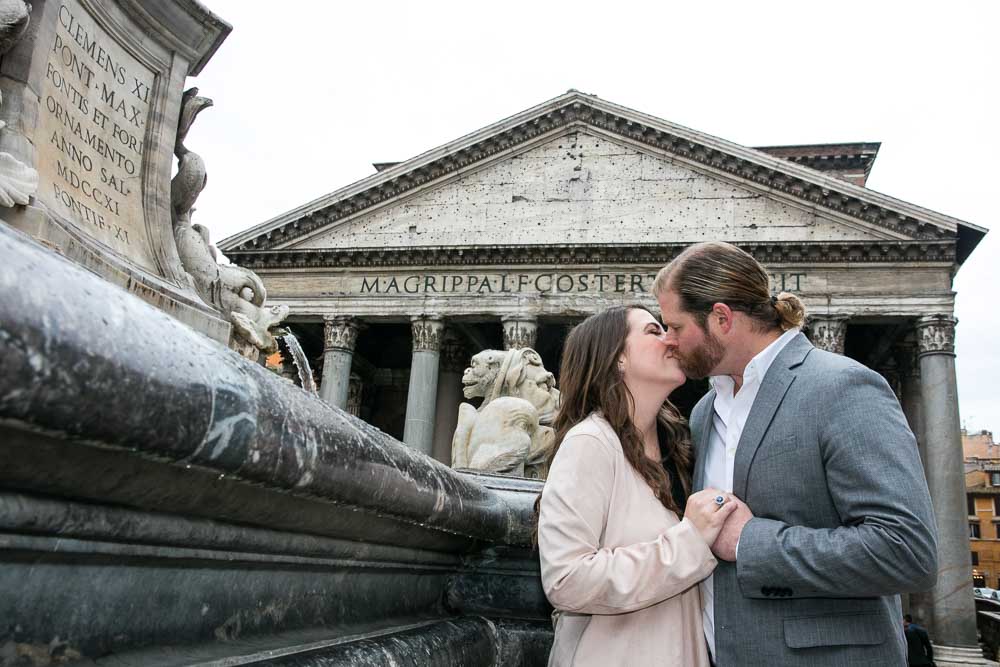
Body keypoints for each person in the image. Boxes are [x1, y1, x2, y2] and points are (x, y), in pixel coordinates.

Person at [652, 241, 939, 666]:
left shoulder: (842, 387)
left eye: (675, 327)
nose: (669, 342)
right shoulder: (705, 410)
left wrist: (752, 542)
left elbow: (906, 551)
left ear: (721, 318)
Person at [537, 305, 743, 666]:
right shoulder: (590, 442)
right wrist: (690, 541)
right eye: (653, 331)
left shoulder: (678, 448)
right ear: (617, 358)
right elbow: (566, 579)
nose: (671, 338)